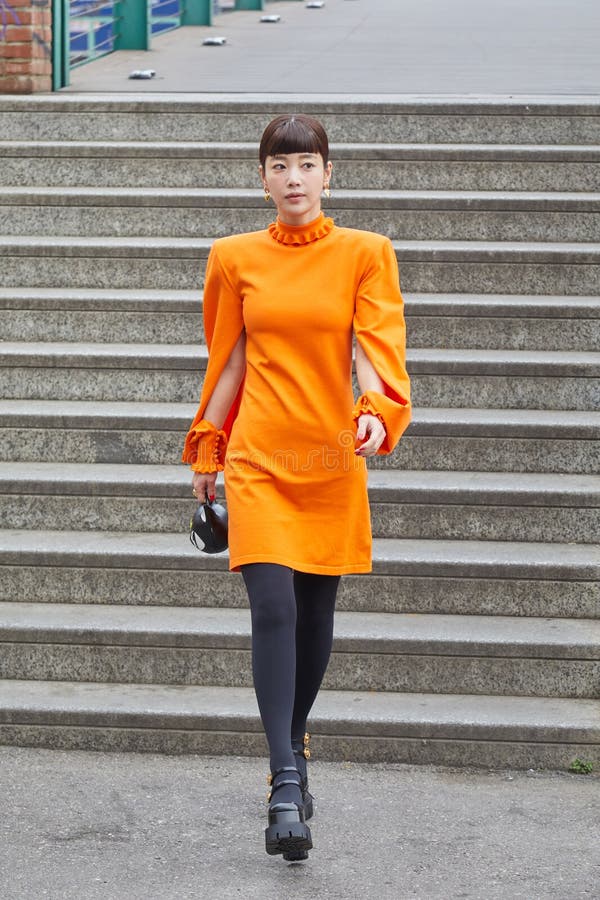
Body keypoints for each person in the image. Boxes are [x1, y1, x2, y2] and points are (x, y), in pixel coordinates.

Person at [182, 113, 411, 861]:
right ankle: (284, 777)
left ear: (327, 173)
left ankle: (296, 745)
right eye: (279, 166)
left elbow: (373, 350)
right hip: (258, 460)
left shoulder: (366, 254)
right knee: (273, 609)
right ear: (263, 178)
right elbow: (230, 361)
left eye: (306, 164)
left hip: (330, 456)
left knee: (315, 617)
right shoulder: (232, 257)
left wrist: (375, 413)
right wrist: (208, 449)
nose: (293, 178)